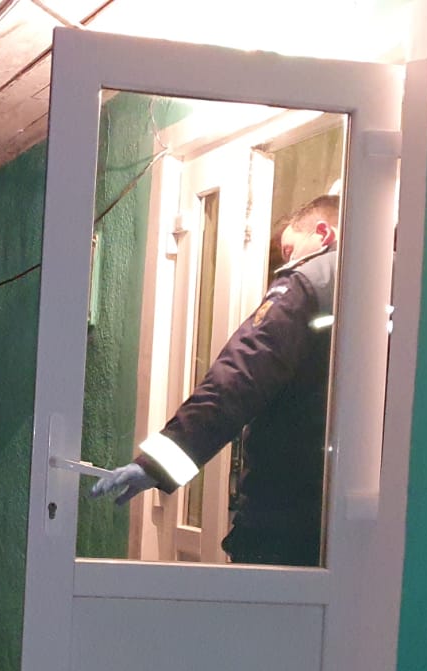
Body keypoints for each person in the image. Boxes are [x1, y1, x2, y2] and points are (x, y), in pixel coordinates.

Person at [92, 194, 341, 566]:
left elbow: (235, 382)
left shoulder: (309, 284)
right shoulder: (400, 284)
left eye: (290, 249)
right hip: (354, 531)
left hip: (285, 523)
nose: (288, 261)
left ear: (324, 233)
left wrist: (155, 465)